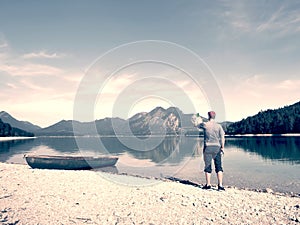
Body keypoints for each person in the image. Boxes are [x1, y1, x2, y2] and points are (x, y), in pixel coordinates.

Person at [192, 111, 225, 191]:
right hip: (217, 147)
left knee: (207, 166)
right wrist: (222, 148)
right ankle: (220, 186)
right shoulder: (219, 126)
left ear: (208, 116)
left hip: (207, 148)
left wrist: (197, 116)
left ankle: (208, 185)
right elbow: (222, 137)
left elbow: (196, 124)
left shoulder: (205, 125)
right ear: (215, 116)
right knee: (219, 166)